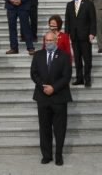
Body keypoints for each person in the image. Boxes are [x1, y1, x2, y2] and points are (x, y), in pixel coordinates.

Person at [31, 32, 73, 166]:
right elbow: (34, 73)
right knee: (44, 128)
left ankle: (59, 155)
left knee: (60, 129)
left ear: (56, 41)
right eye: (46, 40)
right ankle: (46, 155)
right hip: (42, 96)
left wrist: (53, 88)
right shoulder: (38, 55)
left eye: (51, 40)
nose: (48, 42)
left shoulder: (65, 56)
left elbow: (66, 76)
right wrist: (43, 86)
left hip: (59, 97)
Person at [65, 0, 96, 87]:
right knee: (77, 59)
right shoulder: (69, 5)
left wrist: (92, 33)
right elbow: (67, 21)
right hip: (74, 37)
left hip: (86, 36)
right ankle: (79, 78)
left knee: (87, 59)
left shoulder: (88, 4)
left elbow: (93, 20)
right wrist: (66, 35)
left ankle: (87, 79)